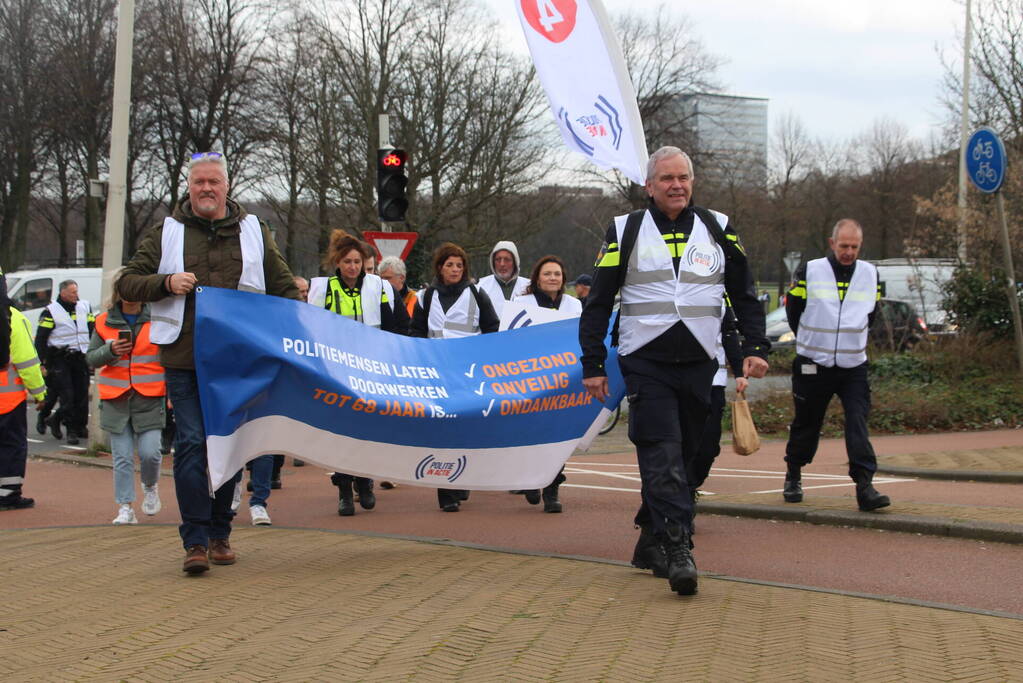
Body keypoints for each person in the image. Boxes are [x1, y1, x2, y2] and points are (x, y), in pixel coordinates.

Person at [579, 146, 769, 596]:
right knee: (662, 453)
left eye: (683, 177)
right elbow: (599, 300)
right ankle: (680, 549)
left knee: (690, 457)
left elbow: (744, 293)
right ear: (649, 185)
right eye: (666, 178)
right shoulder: (625, 231)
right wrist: (592, 362)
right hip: (646, 361)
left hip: (701, 361)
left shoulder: (718, 228)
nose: (676, 185)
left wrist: (755, 347)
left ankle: (650, 538)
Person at [118, 151, 300, 575]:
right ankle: (195, 540)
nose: (205, 189)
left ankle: (221, 534)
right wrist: (165, 283)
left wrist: (299, 329)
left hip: (239, 359)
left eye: (213, 182)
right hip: (185, 358)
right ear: (189, 187)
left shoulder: (255, 231)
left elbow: (283, 285)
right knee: (192, 445)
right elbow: (127, 280)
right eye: (198, 182)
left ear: (226, 187)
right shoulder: (168, 232)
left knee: (231, 445)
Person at [783, 219, 889, 512]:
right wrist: (809, 339)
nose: (849, 252)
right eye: (844, 246)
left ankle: (864, 486)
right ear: (832, 244)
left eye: (854, 247)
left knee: (857, 422)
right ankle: (794, 473)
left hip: (853, 365)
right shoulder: (810, 270)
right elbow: (794, 310)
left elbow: (872, 315)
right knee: (808, 421)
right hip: (813, 362)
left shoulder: (870, 274)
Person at [317, 230, 411, 516]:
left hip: (372, 371)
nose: (353, 267)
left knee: (368, 429)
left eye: (357, 261)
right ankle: (345, 490)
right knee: (342, 433)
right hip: (337, 372)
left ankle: (365, 481)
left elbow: (399, 326)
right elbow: (311, 329)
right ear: (337, 262)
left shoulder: (380, 288)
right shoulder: (323, 290)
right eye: (347, 261)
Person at [411, 242, 499, 511]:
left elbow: (493, 329)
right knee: (442, 429)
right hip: (437, 372)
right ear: (440, 267)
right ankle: (446, 491)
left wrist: (484, 360)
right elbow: (415, 333)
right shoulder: (425, 297)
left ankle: (462, 479)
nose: (455, 269)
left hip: (467, 372)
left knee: (466, 427)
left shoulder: (477, 293)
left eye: (459, 265)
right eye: (450, 265)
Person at [86, 273, 166, 525]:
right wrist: (110, 351)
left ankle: (150, 485)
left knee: (151, 453)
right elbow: (91, 358)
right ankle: (125, 507)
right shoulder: (103, 321)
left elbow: (171, 357)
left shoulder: (159, 318)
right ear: (118, 291)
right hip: (115, 399)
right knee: (121, 457)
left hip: (150, 397)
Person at [513, 255, 581, 513]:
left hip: (563, 380)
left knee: (558, 436)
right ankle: (532, 479)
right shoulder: (522, 303)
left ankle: (552, 489)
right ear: (537, 278)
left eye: (557, 274)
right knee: (532, 432)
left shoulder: (574, 305)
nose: (553, 278)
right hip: (530, 380)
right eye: (547, 274)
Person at [686, 308, 747, 504]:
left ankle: (691, 484)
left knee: (708, 447)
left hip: (714, 383)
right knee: (677, 442)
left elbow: (729, 334)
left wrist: (739, 372)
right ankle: (682, 496)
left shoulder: (719, 294)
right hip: (677, 382)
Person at [1, 268, 46, 510]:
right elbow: (27, 362)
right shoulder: (13, 318)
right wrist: (40, 393)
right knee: (11, 446)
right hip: (7, 400)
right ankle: (8, 495)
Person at [34, 279, 94, 444]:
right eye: (73, 292)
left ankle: (79, 426)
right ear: (63, 293)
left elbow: (92, 329)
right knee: (67, 396)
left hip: (80, 357)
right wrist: (41, 363)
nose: (77, 295)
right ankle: (70, 430)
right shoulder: (50, 312)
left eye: (77, 291)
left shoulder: (84, 306)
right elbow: (41, 339)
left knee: (82, 395)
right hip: (60, 359)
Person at [477, 240, 529, 318]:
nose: (502, 264)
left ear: (515, 262)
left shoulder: (529, 287)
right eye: (498, 259)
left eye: (507, 259)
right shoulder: (481, 286)